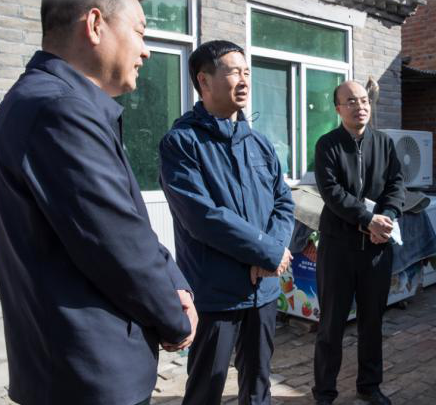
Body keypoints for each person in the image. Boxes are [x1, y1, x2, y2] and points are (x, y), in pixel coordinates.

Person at [0, 1, 197, 404]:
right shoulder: (59, 109)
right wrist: (174, 318)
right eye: (140, 32)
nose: (147, 51)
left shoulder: (52, 101)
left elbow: (128, 221)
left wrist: (177, 285)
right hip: (90, 373)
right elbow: (116, 244)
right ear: (94, 24)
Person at [159, 40, 295, 405]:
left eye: (247, 72)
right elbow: (202, 216)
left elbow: (283, 202)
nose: (245, 80)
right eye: (234, 72)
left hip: (263, 291)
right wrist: (265, 252)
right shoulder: (182, 143)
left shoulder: (260, 144)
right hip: (216, 292)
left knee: (259, 385)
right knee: (206, 388)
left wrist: (271, 252)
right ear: (203, 81)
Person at [312, 81, 405, 405]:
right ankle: (324, 391)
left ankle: (369, 385)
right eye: (350, 101)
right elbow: (331, 192)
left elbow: (396, 185)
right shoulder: (328, 145)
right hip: (338, 249)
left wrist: (387, 217)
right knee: (331, 324)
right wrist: (367, 219)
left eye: (364, 100)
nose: (359, 106)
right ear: (338, 108)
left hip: (376, 249)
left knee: (372, 322)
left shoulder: (384, 143)